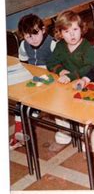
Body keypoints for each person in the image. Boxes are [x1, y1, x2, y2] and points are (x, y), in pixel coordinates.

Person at [46, 10, 94, 151]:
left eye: (75, 29)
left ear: (82, 29)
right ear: (60, 33)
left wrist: (71, 76)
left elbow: (90, 68)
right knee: (58, 108)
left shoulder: (87, 48)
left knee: (82, 112)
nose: (72, 34)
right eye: (67, 31)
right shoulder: (60, 46)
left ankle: (89, 137)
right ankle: (64, 135)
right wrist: (60, 70)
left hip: (87, 84)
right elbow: (50, 62)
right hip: (66, 85)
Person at [10, 14, 57, 150]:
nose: (33, 39)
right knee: (20, 106)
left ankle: (30, 120)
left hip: (50, 83)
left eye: (35, 33)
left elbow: (61, 64)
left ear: (43, 29)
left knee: (28, 109)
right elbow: (23, 62)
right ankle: (19, 136)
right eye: (28, 36)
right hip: (33, 82)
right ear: (23, 36)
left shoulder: (52, 44)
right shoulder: (24, 45)